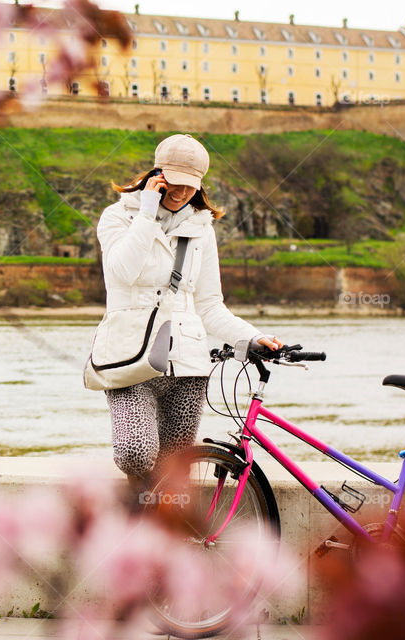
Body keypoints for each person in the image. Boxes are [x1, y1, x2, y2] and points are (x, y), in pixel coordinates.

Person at [96, 133, 283, 491]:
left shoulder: (202, 228)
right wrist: (148, 211)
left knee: (175, 472)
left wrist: (252, 336)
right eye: (175, 183)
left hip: (187, 365)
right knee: (135, 452)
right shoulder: (117, 217)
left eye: (191, 186)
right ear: (158, 175)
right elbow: (123, 271)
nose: (182, 193)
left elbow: (210, 305)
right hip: (131, 358)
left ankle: (159, 536)